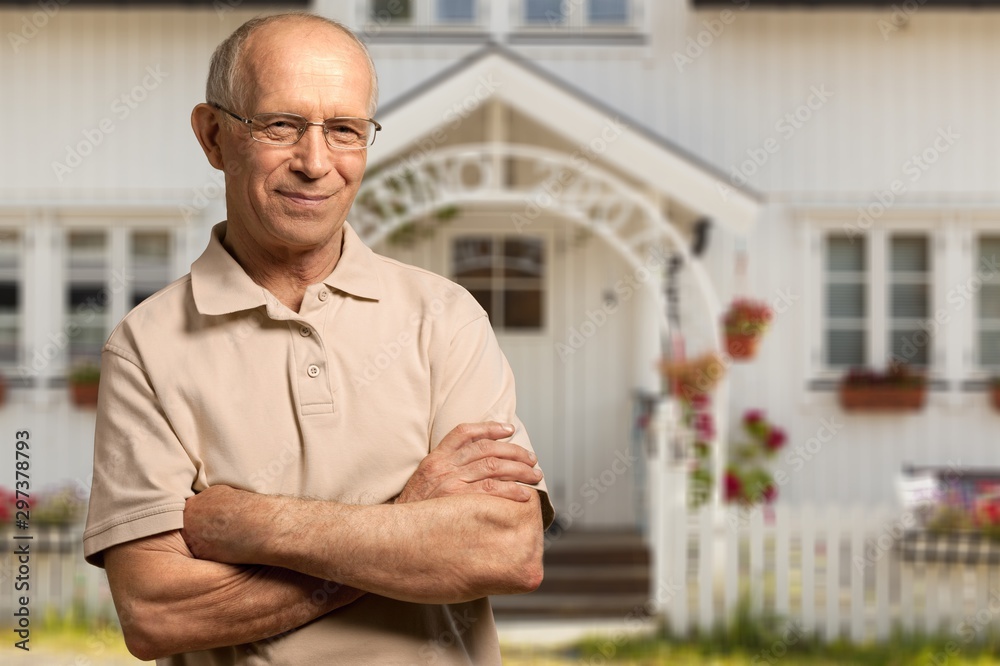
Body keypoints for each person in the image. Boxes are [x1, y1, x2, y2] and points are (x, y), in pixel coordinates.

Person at [83, 12, 554, 665]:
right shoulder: (145, 348)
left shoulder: (444, 317)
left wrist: (248, 524)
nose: (315, 162)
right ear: (214, 136)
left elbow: (506, 550)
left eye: (344, 130)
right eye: (280, 125)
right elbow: (157, 613)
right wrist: (407, 523)